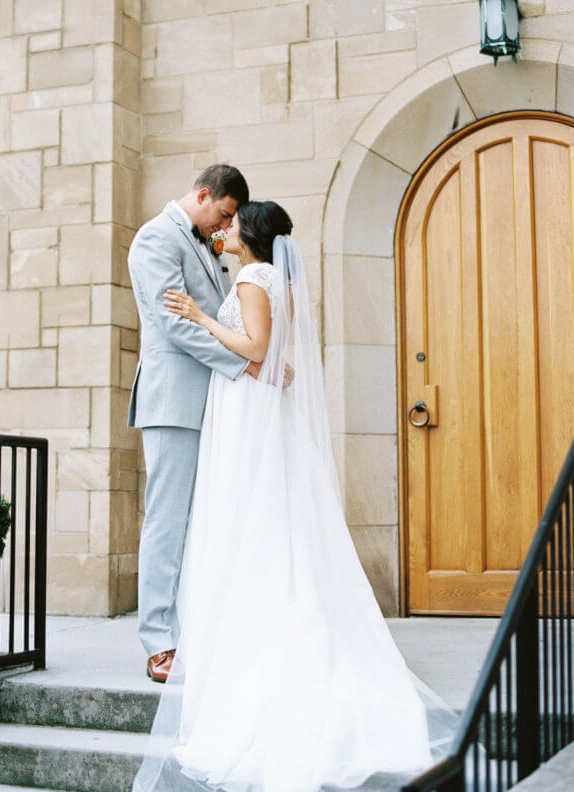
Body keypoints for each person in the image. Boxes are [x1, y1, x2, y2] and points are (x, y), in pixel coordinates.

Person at [131, 200, 459, 792]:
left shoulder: (256, 277)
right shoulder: (259, 275)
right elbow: (269, 357)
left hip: (247, 413)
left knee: (250, 523)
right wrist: (252, 356)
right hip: (245, 406)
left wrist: (204, 320)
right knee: (255, 523)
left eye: (231, 224)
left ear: (248, 234)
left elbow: (256, 349)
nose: (223, 230)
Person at [127, 163, 255, 683]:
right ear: (203, 195)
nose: (224, 229)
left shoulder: (204, 243)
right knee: (168, 519)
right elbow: (174, 323)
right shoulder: (156, 238)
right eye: (222, 215)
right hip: (174, 399)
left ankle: (197, 631)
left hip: (212, 401)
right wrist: (244, 362)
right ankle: (158, 641)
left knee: (203, 519)